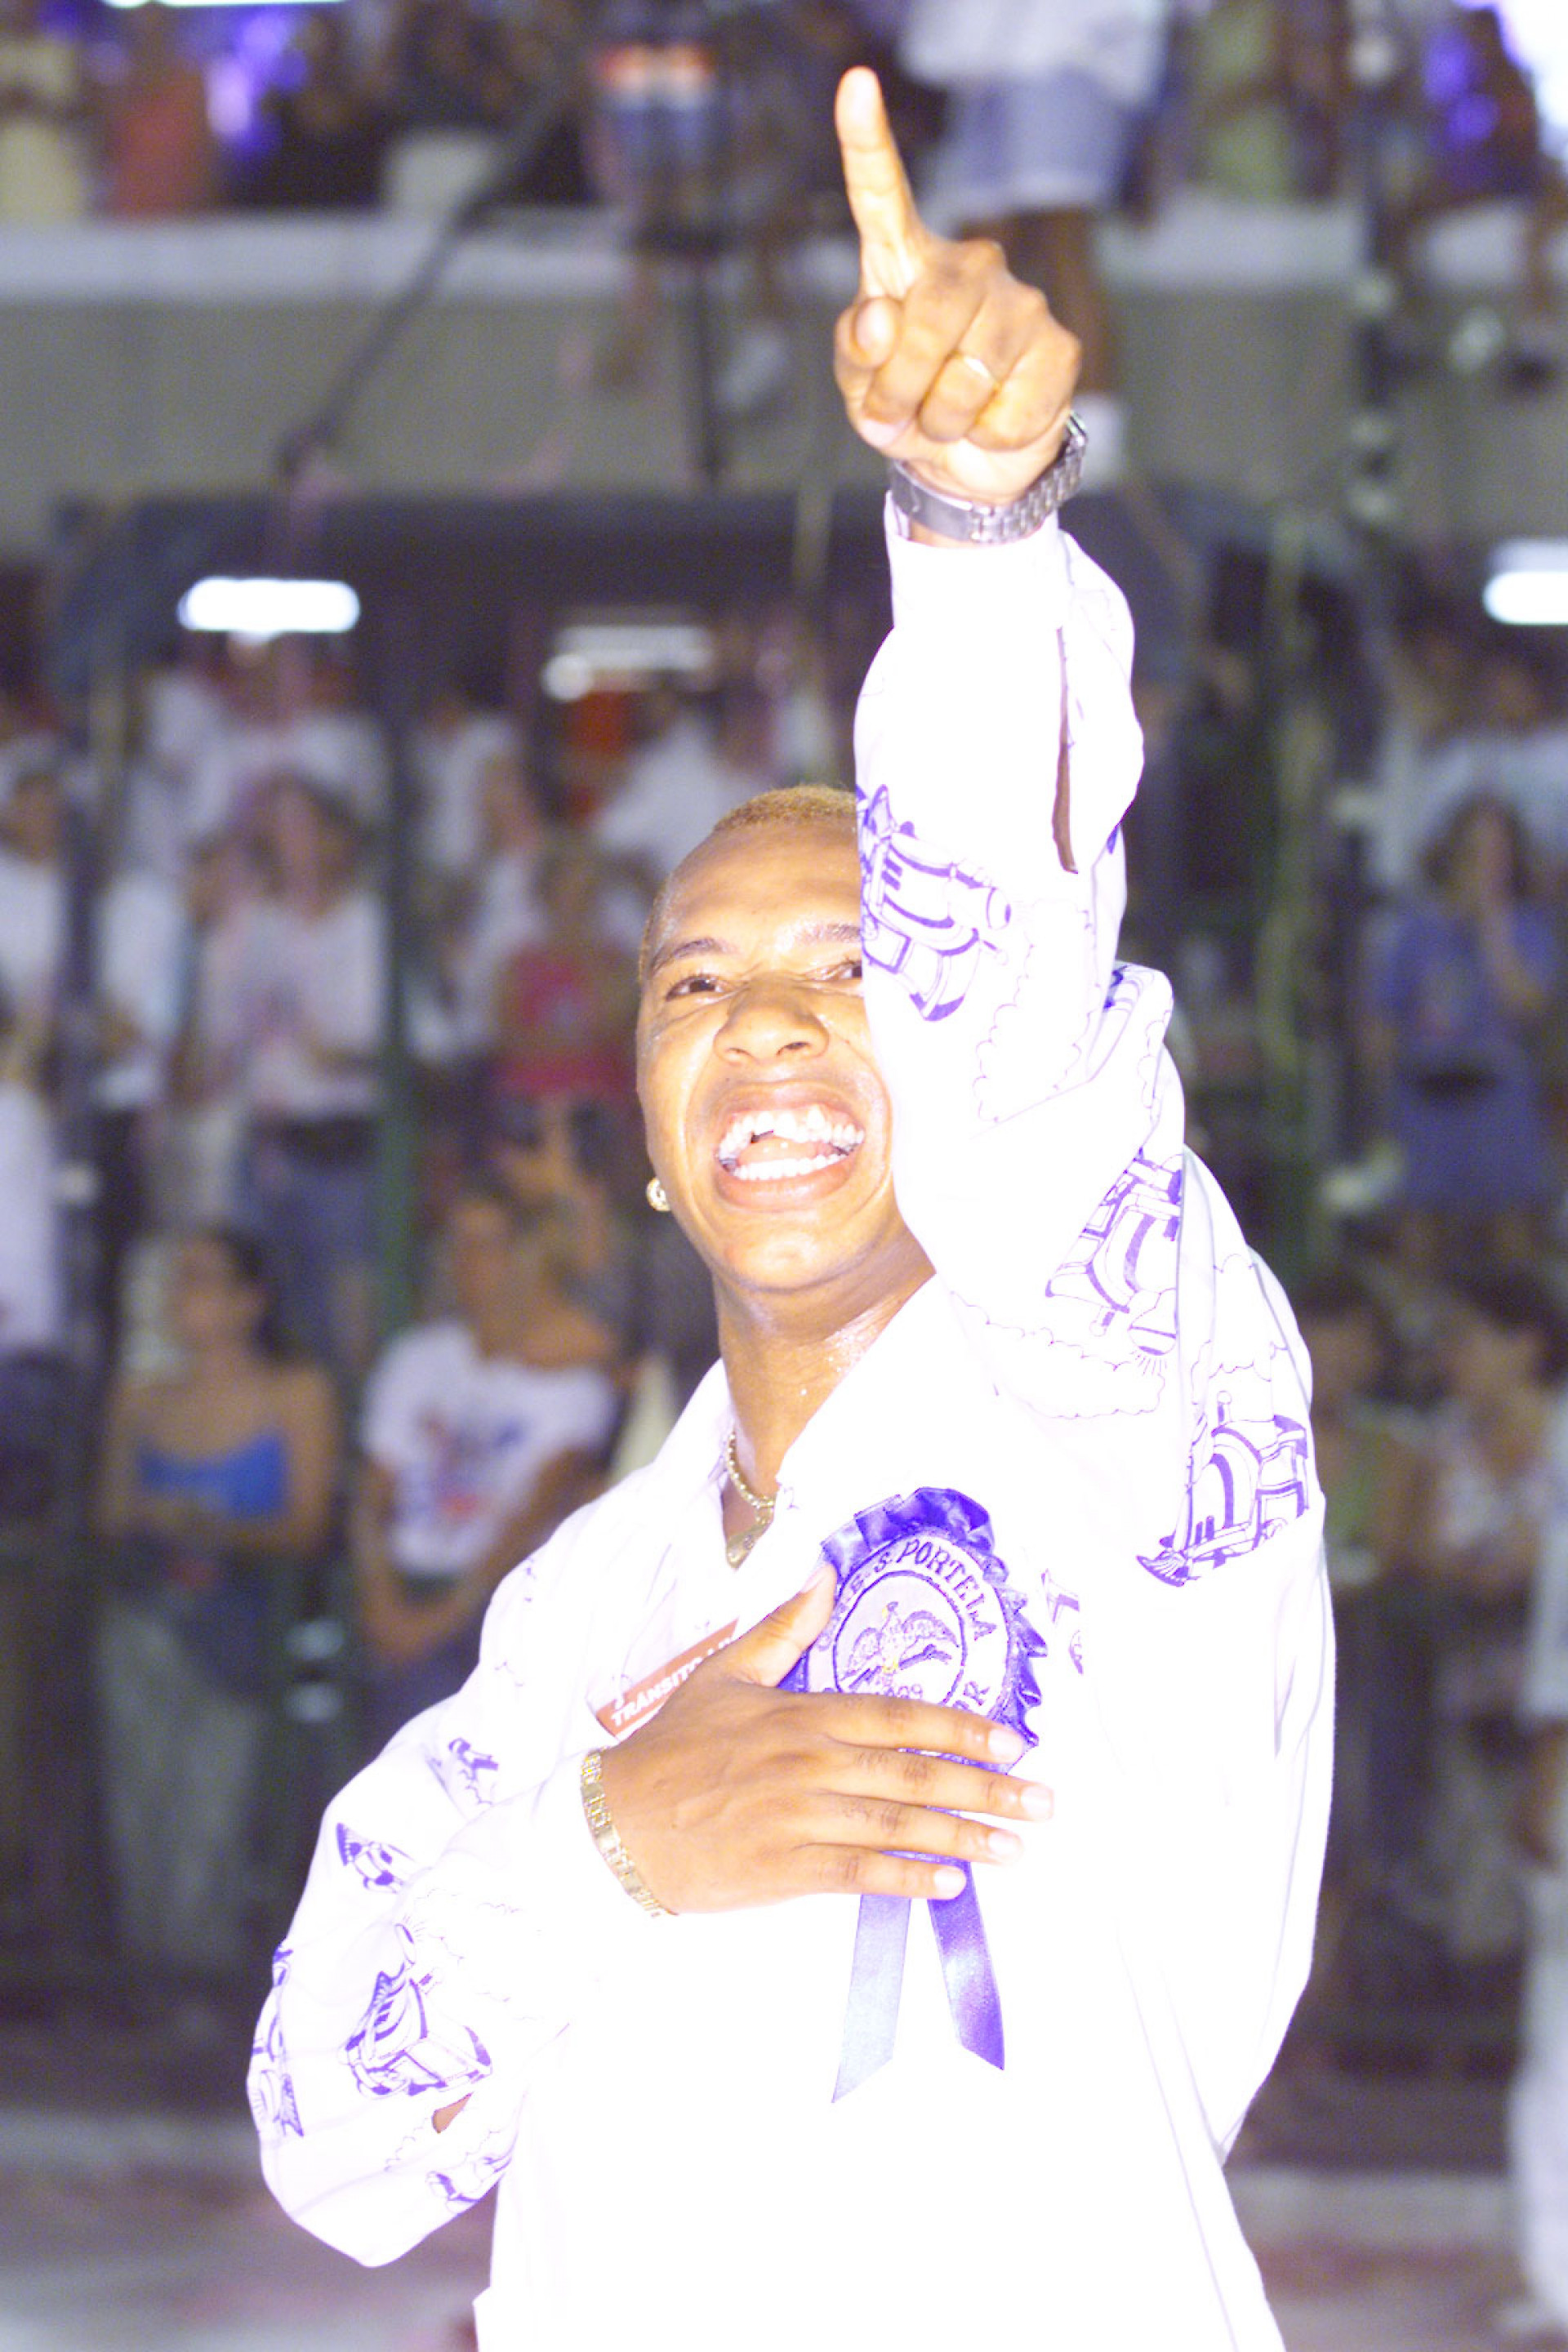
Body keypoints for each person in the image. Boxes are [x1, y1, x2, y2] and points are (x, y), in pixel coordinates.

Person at [252, 73, 1330, 2352]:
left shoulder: (1137, 1416)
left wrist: (975, 537)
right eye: (695, 986)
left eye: (846, 974)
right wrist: (610, 1847)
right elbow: (327, 2135)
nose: (764, 1030)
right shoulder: (586, 1611)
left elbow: (1020, 1042)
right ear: (644, 1128)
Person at [96, 1228, 339, 1980]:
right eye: (177, 1280)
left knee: (218, 1804)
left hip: (247, 1635)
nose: (179, 1297)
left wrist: (219, 1529)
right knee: (140, 1802)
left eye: (199, 1280)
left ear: (248, 1301)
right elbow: (109, 1516)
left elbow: (307, 1523)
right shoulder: (139, 1396)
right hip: (149, 1625)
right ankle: (149, 1965)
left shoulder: (297, 1393)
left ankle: (202, 1972)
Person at [351, 1182, 619, 1747]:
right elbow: (373, 1493)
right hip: (404, 1590)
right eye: (457, 1243)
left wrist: (438, 1619)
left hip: (499, 1611)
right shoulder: (416, 1356)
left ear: (528, 1256)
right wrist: (380, 1596)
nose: (467, 1262)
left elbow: (533, 1517)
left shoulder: (573, 1379)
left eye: (488, 1243)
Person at [1370, 791, 1558, 1271]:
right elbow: (1382, 1022)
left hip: (1497, 1092)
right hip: (1425, 1092)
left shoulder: (1529, 928)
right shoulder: (1416, 930)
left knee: (1511, 1231)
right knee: (1418, 1231)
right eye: (1476, 851)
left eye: (1499, 853)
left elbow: (1526, 1005)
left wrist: (1493, 925)